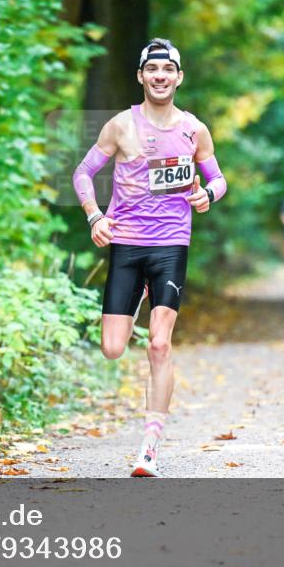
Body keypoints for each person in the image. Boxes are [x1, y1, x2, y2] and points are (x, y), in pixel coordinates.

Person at [71, 38, 226, 477]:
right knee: (112, 349)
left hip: (170, 245)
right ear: (141, 76)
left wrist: (206, 193)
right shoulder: (120, 126)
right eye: (152, 69)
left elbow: (218, 179)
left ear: (179, 77)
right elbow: (84, 173)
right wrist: (94, 216)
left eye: (168, 69)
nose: (160, 76)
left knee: (160, 344)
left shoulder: (194, 129)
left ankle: (149, 449)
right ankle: (136, 294)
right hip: (127, 244)